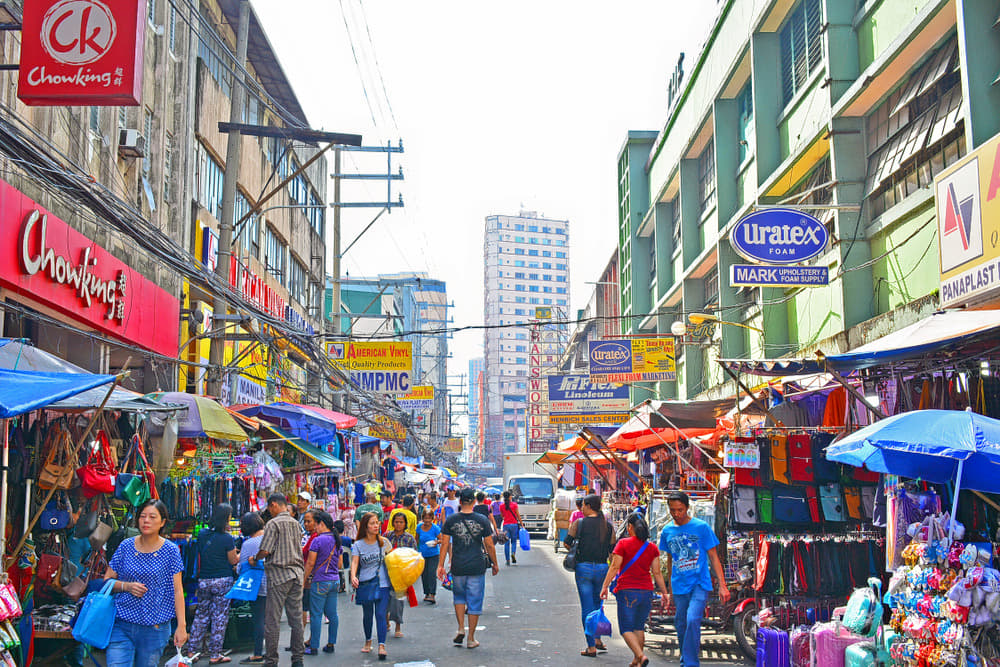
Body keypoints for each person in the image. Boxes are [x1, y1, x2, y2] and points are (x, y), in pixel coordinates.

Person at [104, 499, 187, 667]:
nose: (146, 521)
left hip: (155, 628)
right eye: (142, 516)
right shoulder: (126, 546)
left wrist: (181, 626)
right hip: (122, 623)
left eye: (152, 517)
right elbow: (107, 580)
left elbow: (177, 591)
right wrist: (126, 586)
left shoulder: (170, 551)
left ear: (162, 522)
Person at [658, 491, 730, 667]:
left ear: (687, 508)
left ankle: (690, 663)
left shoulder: (701, 527)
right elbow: (669, 558)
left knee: (692, 619)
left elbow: (713, 556)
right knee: (680, 622)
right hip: (679, 584)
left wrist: (722, 585)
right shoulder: (667, 530)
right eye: (673, 510)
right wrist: (668, 589)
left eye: (680, 509)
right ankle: (686, 657)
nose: (676, 513)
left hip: (699, 583)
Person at [600, 514, 669, 667]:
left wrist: (604, 586)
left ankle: (640, 655)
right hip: (646, 592)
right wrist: (664, 593)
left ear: (630, 527)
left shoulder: (623, 544)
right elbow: (657, 573)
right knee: (638, 626)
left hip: (627, 591)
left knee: (626, 628)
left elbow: (614, 567)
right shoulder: (652, 547)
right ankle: (637, 661)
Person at [437, 487, 499, 650]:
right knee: (475, 601)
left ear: (460, 501)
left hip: (458, 565)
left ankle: (460, 628)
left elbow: (444, 543)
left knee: (459, 597)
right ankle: (471, 638)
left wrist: (440, 565)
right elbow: (489, 544)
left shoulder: (451, 520)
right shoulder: (482, 520)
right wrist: (495, 563)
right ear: (473, 501)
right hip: (476, 565)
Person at [249, 493, 305, 667]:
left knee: (272, 620)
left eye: (270, 508)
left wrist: (255, 558)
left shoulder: (273, 524)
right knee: (296, 619)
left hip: (279, 575)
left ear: (274, 505)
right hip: (296, 574)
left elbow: (265, 550)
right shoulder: (296, 523)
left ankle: (271, 660)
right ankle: (298, 659)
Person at [185, 503, 238, 664]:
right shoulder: (227, 538)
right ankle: (215, 654)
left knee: (201, 615)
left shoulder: (202, 534)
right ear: (226, 519)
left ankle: (191, 651)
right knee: (219, 617)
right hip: (222, 580)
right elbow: (232, 560)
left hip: (204, 580)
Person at [565, 494, 616, 657]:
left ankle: (591, 646)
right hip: (602, 569)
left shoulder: (578, 524)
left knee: (587, 607)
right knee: (597, 606)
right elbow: (612, 551)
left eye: (584, 505)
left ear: (588, 506)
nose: (582, 508)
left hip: (583, 568)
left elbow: (567, 542)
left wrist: (577, 551)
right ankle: (598, 639)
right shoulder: (608, 526)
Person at [351, 512, 392, 661]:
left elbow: (392, 560)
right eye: (372, 523)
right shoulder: (358, 545)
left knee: (381, 614)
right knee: (367, 614)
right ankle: (368, 640)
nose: (376, 525)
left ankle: (382, 645)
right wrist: (353, 576)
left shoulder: (383, 542)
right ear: (365, 527)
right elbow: (355, 562)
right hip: (366, 583)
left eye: (377, 522)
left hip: (383, 584)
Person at [303, 511, 340, 656]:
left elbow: (311, 563)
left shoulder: (317, 541)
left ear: (322, 524)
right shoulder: (336, 539)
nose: (314, 527)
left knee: (316, 615)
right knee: (332, 614)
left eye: (316, 524)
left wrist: (304, 579)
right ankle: (331, 643)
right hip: (334, 580)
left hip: (320, 581)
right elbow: (340, 563)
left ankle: (313, 646)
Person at [237, 513, 267, 665]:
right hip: (275, 584)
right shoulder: (271, 537)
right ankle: (271, 650)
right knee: (271, 619)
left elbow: (241, 568)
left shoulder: (248, 544)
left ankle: (257, 653)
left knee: (259, 620)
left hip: (258, 586)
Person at [383, 512, 417, 638]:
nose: (398, 524)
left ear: (405, 524)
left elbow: (414, 556)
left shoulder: (409, 538)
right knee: (385, 598)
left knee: (398, 601)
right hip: (386, 572)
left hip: (401, 574)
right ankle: (386, 622)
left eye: (401, 522)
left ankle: (398, 626)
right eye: (396, 522)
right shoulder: (386, 536)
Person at [415, 509, 441, 604]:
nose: (427, 520)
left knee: (431, 573)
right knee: (424, 574)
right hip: (422, 554)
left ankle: (432, 594)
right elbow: (416, 539)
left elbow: (441, 539)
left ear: (432, 519)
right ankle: (426, 593)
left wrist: (436, 542)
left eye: (429, 518)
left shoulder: (435, 528)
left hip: (433, 554)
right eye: (425, 518)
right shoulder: (419, 527)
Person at [498, 490, 522, 565]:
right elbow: (518, 515)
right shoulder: (514, 505)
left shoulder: (501, 506)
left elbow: (502, 516)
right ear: (510, 497)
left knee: (506, 543)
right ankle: (513, 554)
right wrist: (522, 524)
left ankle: (507, 560)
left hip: (506, 525)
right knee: (514, 541)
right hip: (514, 525)